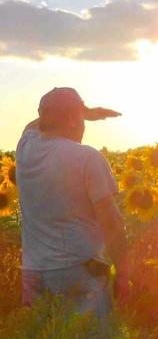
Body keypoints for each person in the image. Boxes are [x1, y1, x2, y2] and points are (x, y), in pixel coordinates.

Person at [15, 87, 129, 320]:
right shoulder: (87, 157)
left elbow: (33, 125)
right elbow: (112, 223)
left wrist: (75, 112)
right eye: (80, 117)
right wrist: (125, 273)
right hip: (78, 272)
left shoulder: (26, 148)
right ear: (72, 120)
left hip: (34, 273)